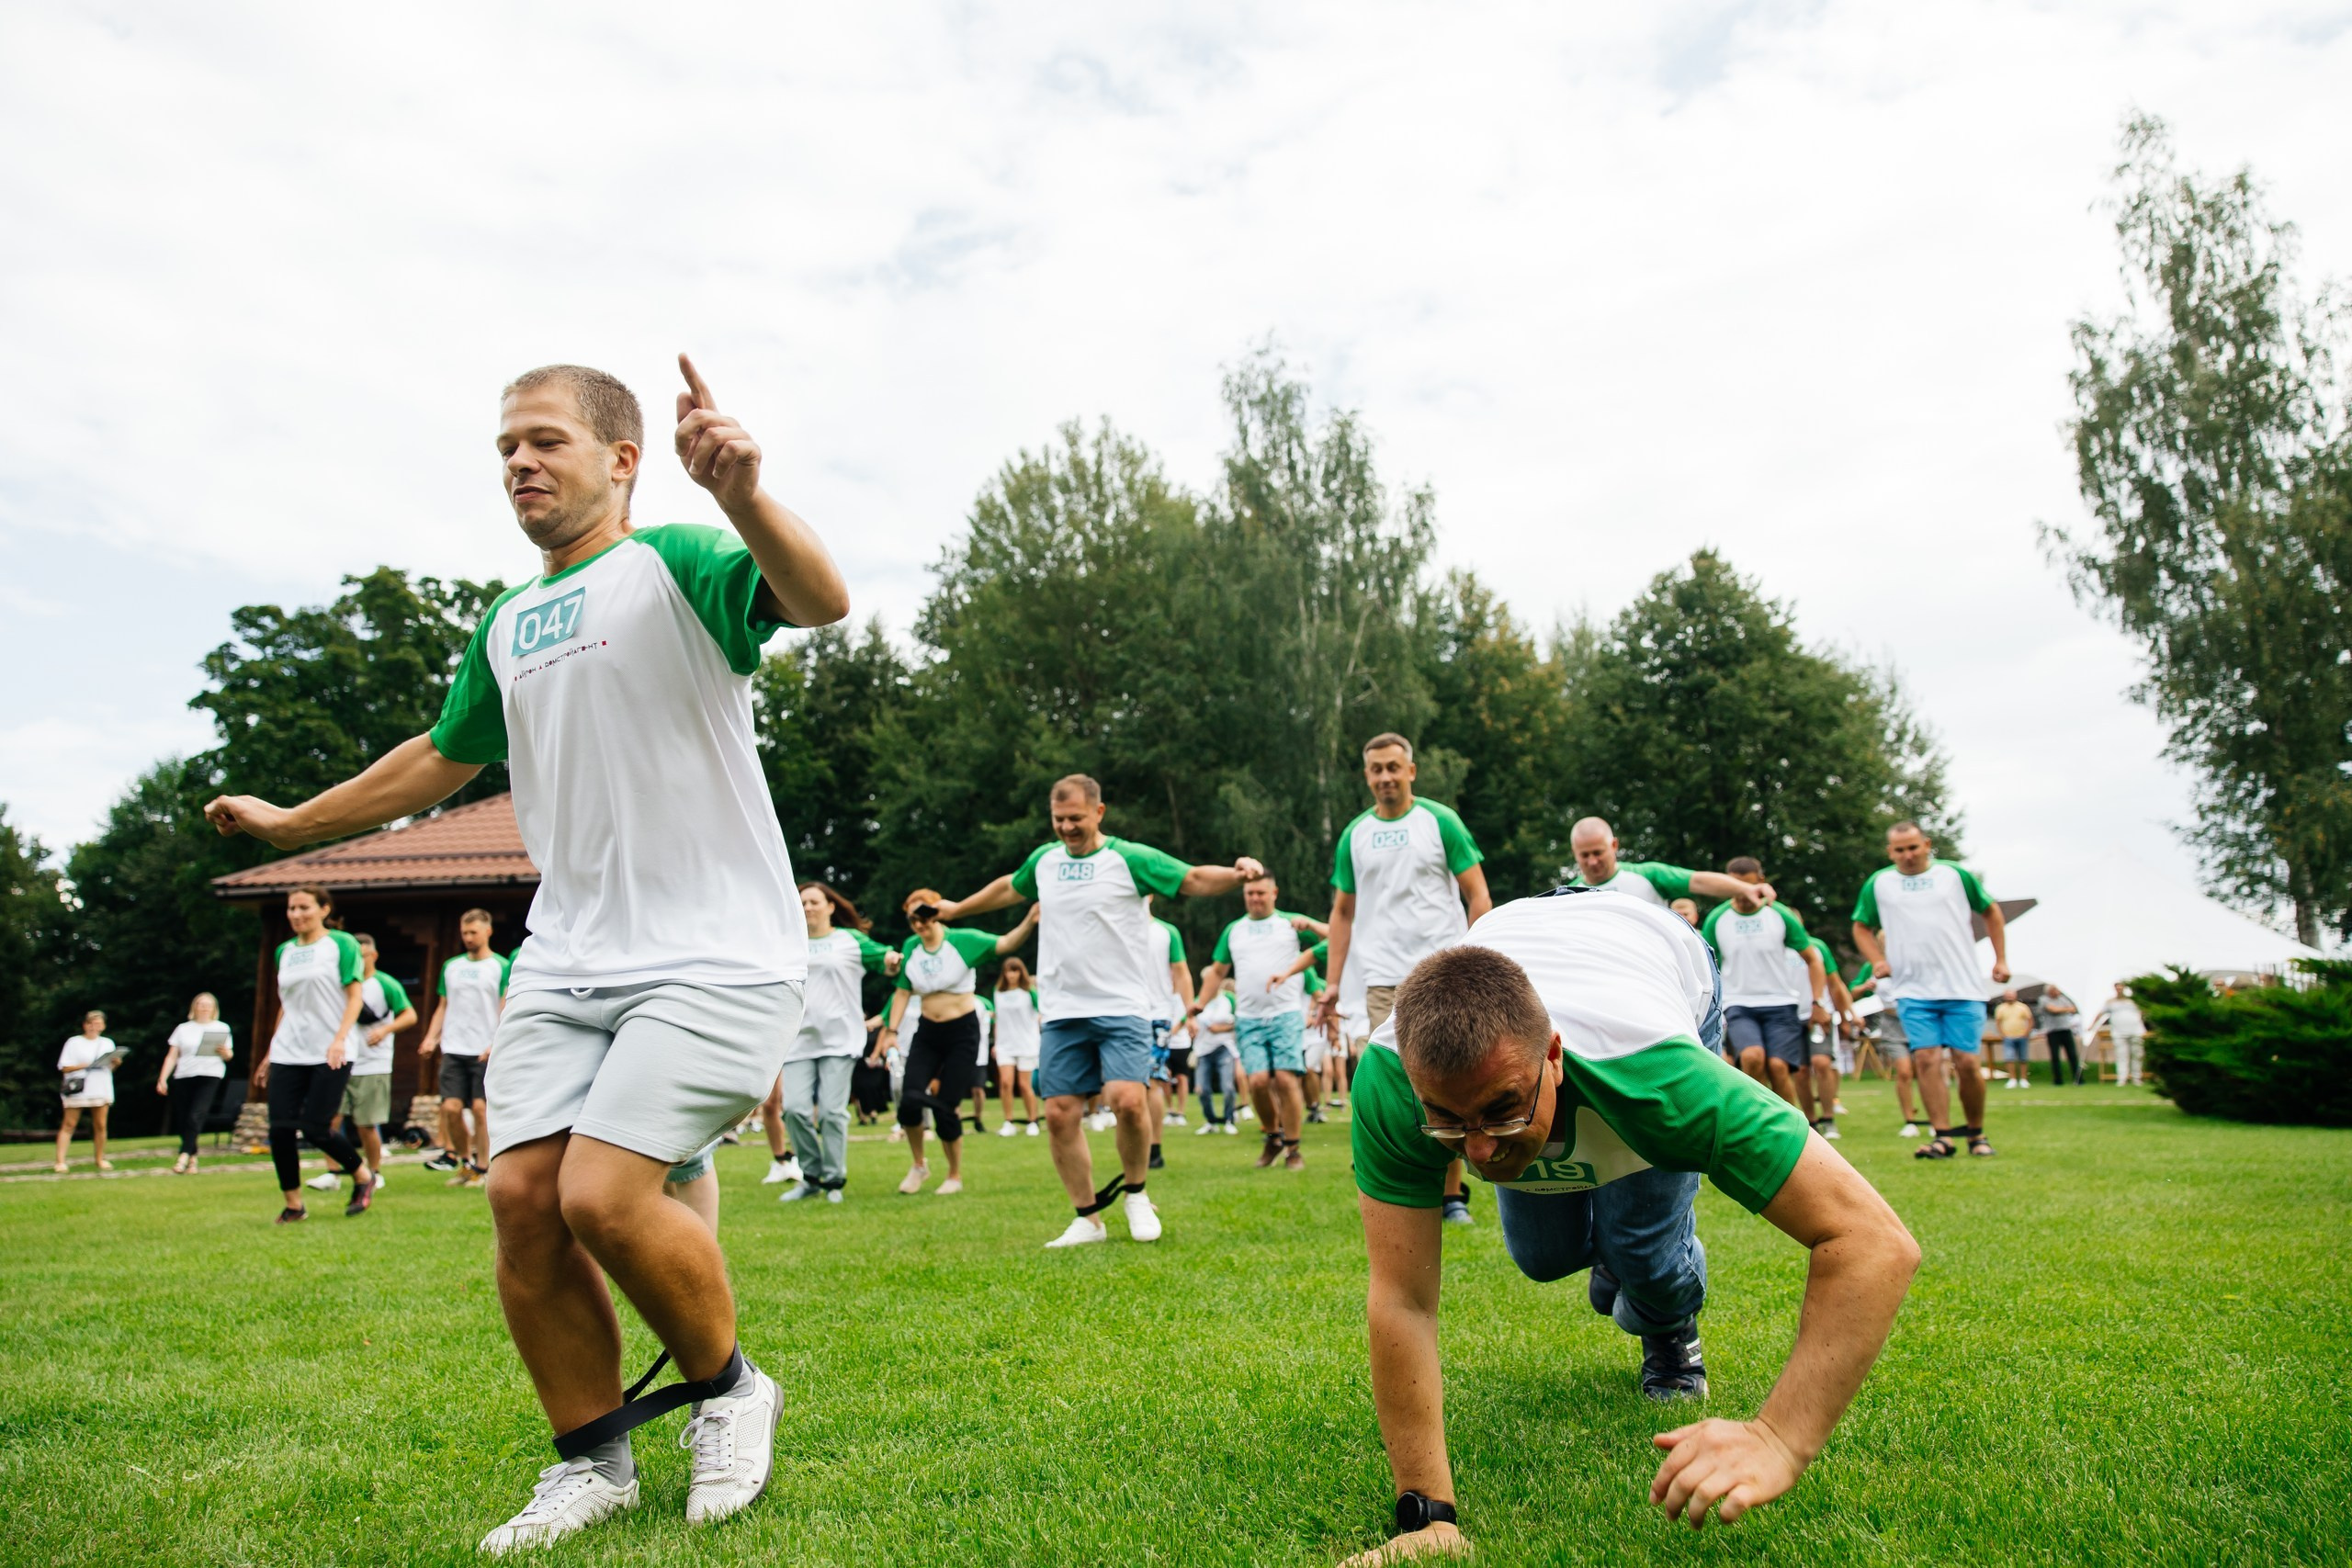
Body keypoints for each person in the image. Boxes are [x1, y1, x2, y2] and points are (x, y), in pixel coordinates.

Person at [204, 356, 851, 1550]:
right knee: (517, 1195)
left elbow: (818, 599)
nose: (520, 462)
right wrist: (295, 825)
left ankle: (731, 1388)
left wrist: (747, 496)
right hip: (569, 957)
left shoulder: (678, 559)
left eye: (546, 440)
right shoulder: (506, 623)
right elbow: (436, 757)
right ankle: (592, 1459)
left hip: (715, 948)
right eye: (507, 444)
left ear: (621, 459)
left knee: (603, 1192)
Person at [1343, 890, 1919, 1562]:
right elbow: (1402, 1298)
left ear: (1553, 1055)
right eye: (1446, 1117)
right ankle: (1604, 1241)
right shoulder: (1388, 1082)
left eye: (1501, 1106)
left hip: (1654, 961)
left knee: (1643, 1251)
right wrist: (1428, 1517)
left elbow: (1874, 1241)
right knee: (1542, 1254)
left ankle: (1667, 1317)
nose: (1475, 1150)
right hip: (1533, 948)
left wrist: (1779, 1438)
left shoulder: (1657, 1077)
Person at [924, 773, 1261, 1248]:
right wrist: (957, 911)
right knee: (1060, 1113)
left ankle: (1137, 1193)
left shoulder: (1128, 858)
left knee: (1127, 1099)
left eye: (1076, 819)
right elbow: (1008, 887)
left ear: (1099, 813)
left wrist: (1237, 874)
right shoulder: (1045, 860)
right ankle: (1088, 1218)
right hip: (1062, 1010)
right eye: (1059, 819)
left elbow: (1190, 877)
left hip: (1122, 1005)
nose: (1067, 828)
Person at [1316, 734, 1493, 1228]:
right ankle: (1403, 1185)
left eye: (1394, 767)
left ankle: (1453, 1196)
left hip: (1442, 972)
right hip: (1381, 979)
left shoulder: (1440, 822)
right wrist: (1332, 984)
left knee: (1449, 1078)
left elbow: (1477, 893)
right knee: (1394, 1082)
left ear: (1411, 771)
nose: (1385, 777)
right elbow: (1342, 912)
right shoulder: (1354, 834)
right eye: (1376, 770)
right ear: (1367, 775)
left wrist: (1476, 956)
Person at [1850, 821, 2008, 1161]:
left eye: (1913, 847)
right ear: (1890, 852)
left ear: (1926, 844)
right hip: (1913, 988)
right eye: (1899, 850)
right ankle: (1943, 1136)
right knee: (1926, 1059)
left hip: (1962, 986)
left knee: (1967, 1062)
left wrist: (2000, 958)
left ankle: (1976, 1132)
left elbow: (1991, 910)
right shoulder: (1880, 883)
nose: (1907, 855)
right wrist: (1877, 960)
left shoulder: (1953, 874)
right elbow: (1861, 926)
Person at [878, 893, 1038, 1196]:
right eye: (912, 919)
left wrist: (1029, 920)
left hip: (962, 1033)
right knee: (910, 1100)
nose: (918, 924)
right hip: (927, 1033)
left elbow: (1005, 944)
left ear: (938, 913)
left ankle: (954, 1175)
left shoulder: (962, 941)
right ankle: (919, 1165)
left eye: (924, 915)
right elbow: (902, 992)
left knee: (946, 1107)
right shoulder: (911, 947)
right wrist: (891, 1031)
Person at [252, 886, 377, 1221]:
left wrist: (339, 1039)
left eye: (304, 907)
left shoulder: (341, 943)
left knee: (316, 1128)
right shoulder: (284, 951)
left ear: (324, 909)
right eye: (291, 908)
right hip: (288, 1050)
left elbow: (354, 997)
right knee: (279, 1129)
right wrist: (269, 1052)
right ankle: (294, 1204)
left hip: (331, 1050)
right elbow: (286, 1005)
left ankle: (363, 1176)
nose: (295, 914)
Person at [776, 882, 896, 1203]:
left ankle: (834, 1180)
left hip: (840, 1040)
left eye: (814, 901)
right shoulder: (788, 943)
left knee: (831, 1112)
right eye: (802, 902)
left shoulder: (850, 940)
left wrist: (894, 963)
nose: (808, 907)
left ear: (830, 907)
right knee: (795, 1111)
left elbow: (891, 964)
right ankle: (811, 1177)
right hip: (798, 1040)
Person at [1200, 871, 1324, 1171]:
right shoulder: (1234, 930)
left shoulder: (1290, 924)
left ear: (1274, 893)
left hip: (1285, 1014)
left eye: (1261, 893)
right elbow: (1218, 971)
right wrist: (1197, 1005)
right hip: (1248, 1017)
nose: (1255, 898)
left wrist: (1312, 924)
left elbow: (1338, 935)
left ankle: (1293, 1149)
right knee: (1256, 1082)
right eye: (1250, 893)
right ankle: (1272, 1136)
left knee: (1284, 1078)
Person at [1700, 862, 1825, 1112]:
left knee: (1779, 1067)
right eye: (1737, 884)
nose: (1744, 890)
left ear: (1761, 881)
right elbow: (1705, 966)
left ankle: (1795, 1132)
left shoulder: (1779, 914)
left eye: (1750, 883)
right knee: (1752, 1057)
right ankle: (1759, 1125)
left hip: (1781, 1003)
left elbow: (1813, 959)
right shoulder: (1718, 918)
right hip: (1739, 1004)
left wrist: (1817, 1002)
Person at [419, 908, 511, 1188]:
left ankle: (484, 1167)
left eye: (473, 932)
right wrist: (431, 1037)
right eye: (464, 933)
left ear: (487, 932)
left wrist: (496, 1041)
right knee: (450, 1108)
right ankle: (465, 1161)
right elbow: (443, 1006)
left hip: (484, 1048)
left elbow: (504, 1005)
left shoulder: (501, 965)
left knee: (481, 1110)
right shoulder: (452, 967)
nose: (468, 938)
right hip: (454, 1046)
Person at [1564, 818, 1778, 908]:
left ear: (1614, 845)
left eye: (1598, 853)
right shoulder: (1566, 895)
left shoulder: (1648, 875)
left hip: (1652, 976)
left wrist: (1746, 888)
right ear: (1574, 853)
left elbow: (1700, 881)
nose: (1592, 861)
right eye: (1585, 855)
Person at [342, 934, 419, 1188]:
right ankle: (334, 1173)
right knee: (330, 1119)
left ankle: (374, 1172)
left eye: (361, 956)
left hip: (373, 1063)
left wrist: (385, 1031)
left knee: (365, 1124)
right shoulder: (342, 983)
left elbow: (410, 1015)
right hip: (342, 1059)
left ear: (373, 956)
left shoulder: (386, 984)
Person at [157, 994, 234, 1174]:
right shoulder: (183, 1029)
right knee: (184, 1117)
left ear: (214, 1008)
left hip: (210, 1074)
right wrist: (163, 1078)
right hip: (184, 1074)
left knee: (196, 1114)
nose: (205, 1008)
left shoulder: (221, 1027)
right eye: (201, 1004)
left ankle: (183, 1155)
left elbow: (229, 1055)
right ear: (195, 1007)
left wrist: (225, 1052)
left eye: (208, 1005)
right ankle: (193, 1157)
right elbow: (172, 1056)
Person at [54, 1011, 119, 1174]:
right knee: (69, 1124)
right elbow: (64, 1067)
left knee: (100, 1125)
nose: (94, 1027)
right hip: (78, 1087)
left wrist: (116, 1062)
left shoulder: (107, 1043)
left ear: (103, 1026)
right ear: (85, 1025)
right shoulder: (74, 1042)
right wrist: (85, 1065)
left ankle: (99, 1158)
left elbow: (111, 1068)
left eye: (98, 1024)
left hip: (100, 1087)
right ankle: (60, 1161)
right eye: (91, 1023)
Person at [992, 958, 1045, 1137]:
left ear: (1021, 972)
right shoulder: (998, 993)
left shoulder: (1029, 992)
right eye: (1008, 971)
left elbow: (1042, 1012)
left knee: (1024, 1085)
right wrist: (997, 1042)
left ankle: (1033, 1120)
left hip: (1026, 1043)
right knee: (1006, 1083)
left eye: (1015, 971)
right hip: (1005, 1045)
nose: (1011, 975)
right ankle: (1008, 1122)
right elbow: (998, 1019)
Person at [1192, 981, 1241, 1134]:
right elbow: (1189, 1021)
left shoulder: (1229, 1000)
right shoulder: (1198, 1003)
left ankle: (1229, 1120)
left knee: (1227, 1087)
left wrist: (1219, 1029)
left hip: (1224, 1048)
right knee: (1202, 1089)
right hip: (1203, 1051)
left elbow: (1239, 1021)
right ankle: (1211, 1121)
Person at [2091, 984, 2146, 1085]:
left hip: (2136, 1031)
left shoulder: (2134, 1000)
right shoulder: (2110, 1002)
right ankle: (2122, 1078)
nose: (2119, 989)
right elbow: (2100, 1013)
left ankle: (2136, 1078)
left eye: (2121, 987)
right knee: (2121, 1055)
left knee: (2137, 1054)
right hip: (2119, 1032)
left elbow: (2144, 1011)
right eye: (2117, 987)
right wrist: (2092, 1025)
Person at [2038, 984, 2083, 1086]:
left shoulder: (2062, 999)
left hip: (2066, 1030)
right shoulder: (2044, 999)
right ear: (2050, 991)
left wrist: (2061, 1009)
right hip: (2053, 1031)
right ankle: (2058, 1080)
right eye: (2055, 989)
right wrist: (2065, 1009)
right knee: (2055, 1056)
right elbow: (2053, 1010)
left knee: (2072, 1055)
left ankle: (2078, 1079)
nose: (2058, 991)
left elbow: (2073, 1008)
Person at [1993, 990, 2036, 1089]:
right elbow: (1998, 1022)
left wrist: (2026, 1033)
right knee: (2009, 1058)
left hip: (2022, 1036)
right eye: (2008, 995)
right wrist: (2002, 1034)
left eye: (2011, 995)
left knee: (2023, 1058)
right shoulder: (2001, 1008)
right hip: (2008, 1037)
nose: (2010, 997)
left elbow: (2030, 1020)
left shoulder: (2022, 1007)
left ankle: (2024, 1079)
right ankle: (2012, 1079)